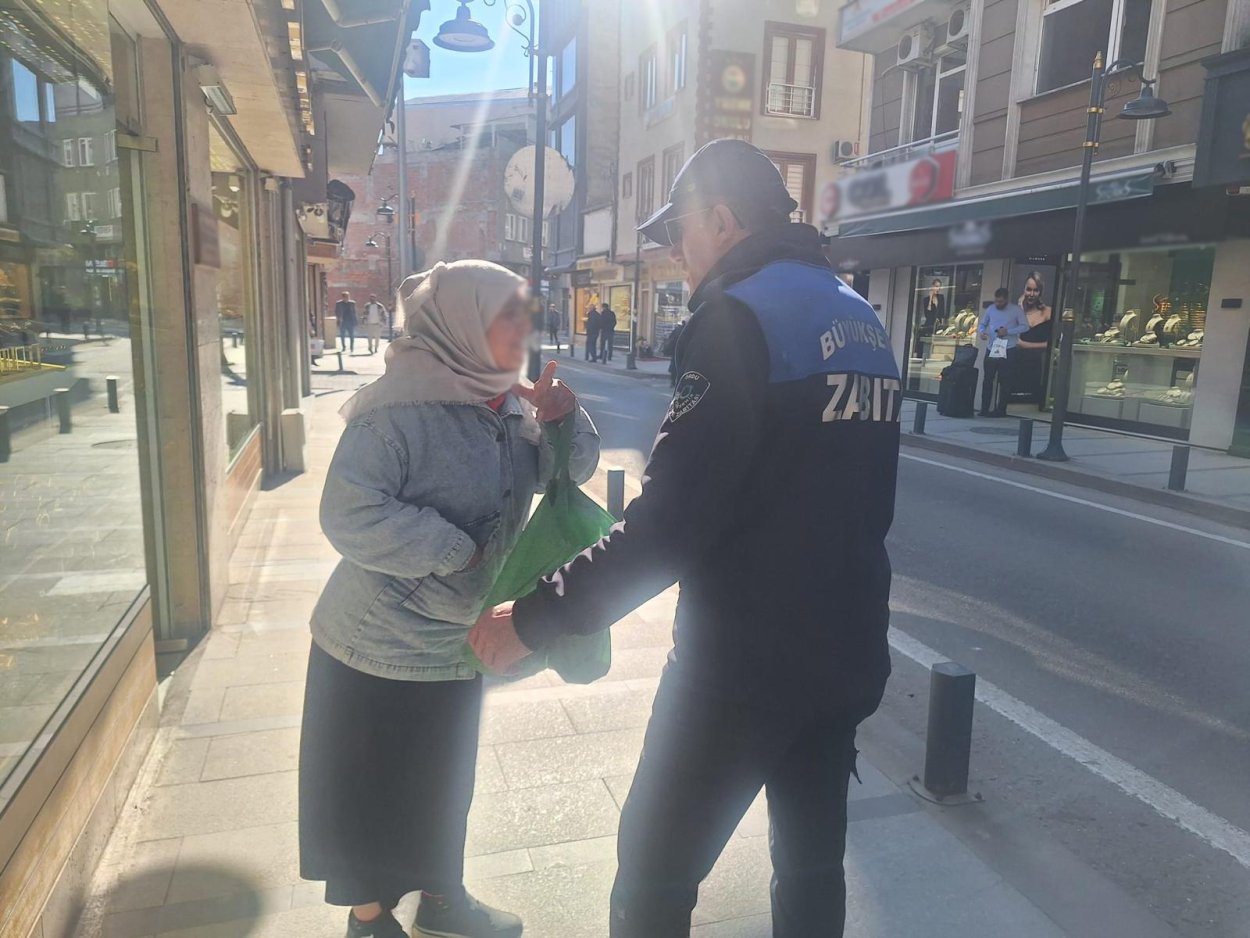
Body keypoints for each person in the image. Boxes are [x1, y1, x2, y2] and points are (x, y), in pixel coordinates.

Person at [469, 139, 902, 937]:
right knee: (810, 865)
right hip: (845, 652)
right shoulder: (860, 316)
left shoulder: (739, 317)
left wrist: (535, 616)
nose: (675, 250)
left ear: (724, 221)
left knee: (653, 875)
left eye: (680, 230)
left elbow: (671, 524)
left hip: (741, 667)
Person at [300, 260, 600, 938]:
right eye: (507, 317)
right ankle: (369, 919)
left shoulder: (510, 405)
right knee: (370, 788)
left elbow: (570, 473)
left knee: (443, 782)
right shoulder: (396, 411)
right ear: (460, 323)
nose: (523, 331)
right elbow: (347, 512)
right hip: (378, 640)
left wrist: (562, 418)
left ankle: (443, 901)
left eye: (525, 316)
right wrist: (452, 550)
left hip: (460, 638)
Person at [977, 287, 1030, 417]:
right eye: (996, 301)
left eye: (1001, 301)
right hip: (992, 348)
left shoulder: (1016, 310)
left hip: (1008, 348)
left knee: (1005, 380)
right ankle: (984, 408)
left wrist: (1008, 331)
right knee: (988, 379)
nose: (998, 304)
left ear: (1006, 299)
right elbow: (982, 324)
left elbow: (1025, 326)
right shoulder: (991, 309)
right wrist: (982, 332)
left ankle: (1001, 409)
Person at [1010, 272, 1053, 405]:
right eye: (1028, 289)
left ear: (1040, 292)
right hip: (1016, 366)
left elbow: (1054, 344)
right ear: (1023, 290)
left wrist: (1026, 345)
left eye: (1036, 290)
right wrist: (1019, 307)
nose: (1032, 294)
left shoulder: (1048, 312)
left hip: (1038, 367)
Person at [914, 278, 946, 355]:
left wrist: (942, 324)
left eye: (939, 287)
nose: (938, 289)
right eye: (936, 286)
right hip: (929, 324)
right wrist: (930, 300)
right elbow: (927, 313)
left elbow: (942, 312)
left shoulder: (941, 297)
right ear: (932, 286)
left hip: (938, 325)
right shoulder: (926, 299)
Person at [660, 319, 687, 388]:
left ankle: (672, 381)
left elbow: (671, 339)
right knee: (681, 367)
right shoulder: (687, 330)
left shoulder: (677, 330)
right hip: (683, 352)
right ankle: (679, 382)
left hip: (675, 351)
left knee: (674, 366)